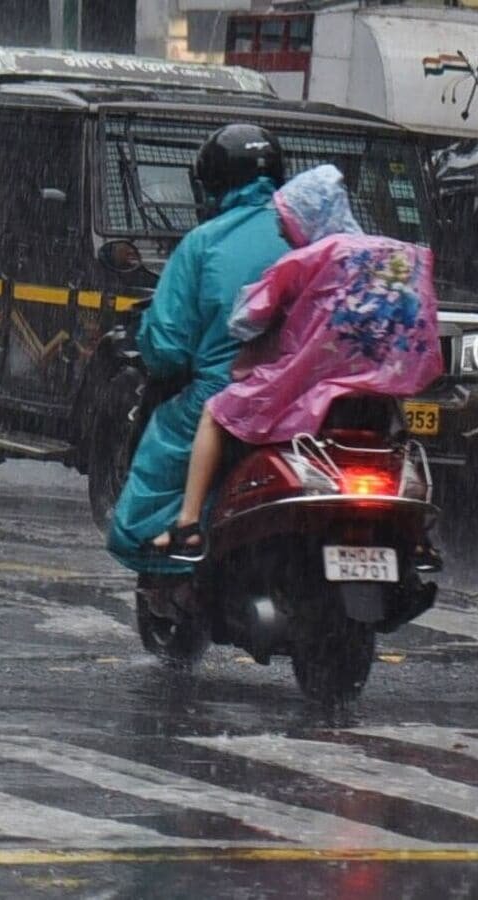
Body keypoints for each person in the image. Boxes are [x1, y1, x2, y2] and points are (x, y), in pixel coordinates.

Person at [151, 164, 445, 558]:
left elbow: (246, 318)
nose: (282, 233)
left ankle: (188, 525)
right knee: (399, 445)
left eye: (286, 222)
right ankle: (415, 535)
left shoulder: (312, 256)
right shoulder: (396, 255)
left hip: (311, 387)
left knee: (215, 414)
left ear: (307, 217)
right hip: (379, 395)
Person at [107, 124, 290, 603]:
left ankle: (175, 558)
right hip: (311, 397)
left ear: (211, 182)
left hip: (225, 395)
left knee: (159, 459)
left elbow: (166, 348)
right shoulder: (314, 235)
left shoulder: (204, 244)